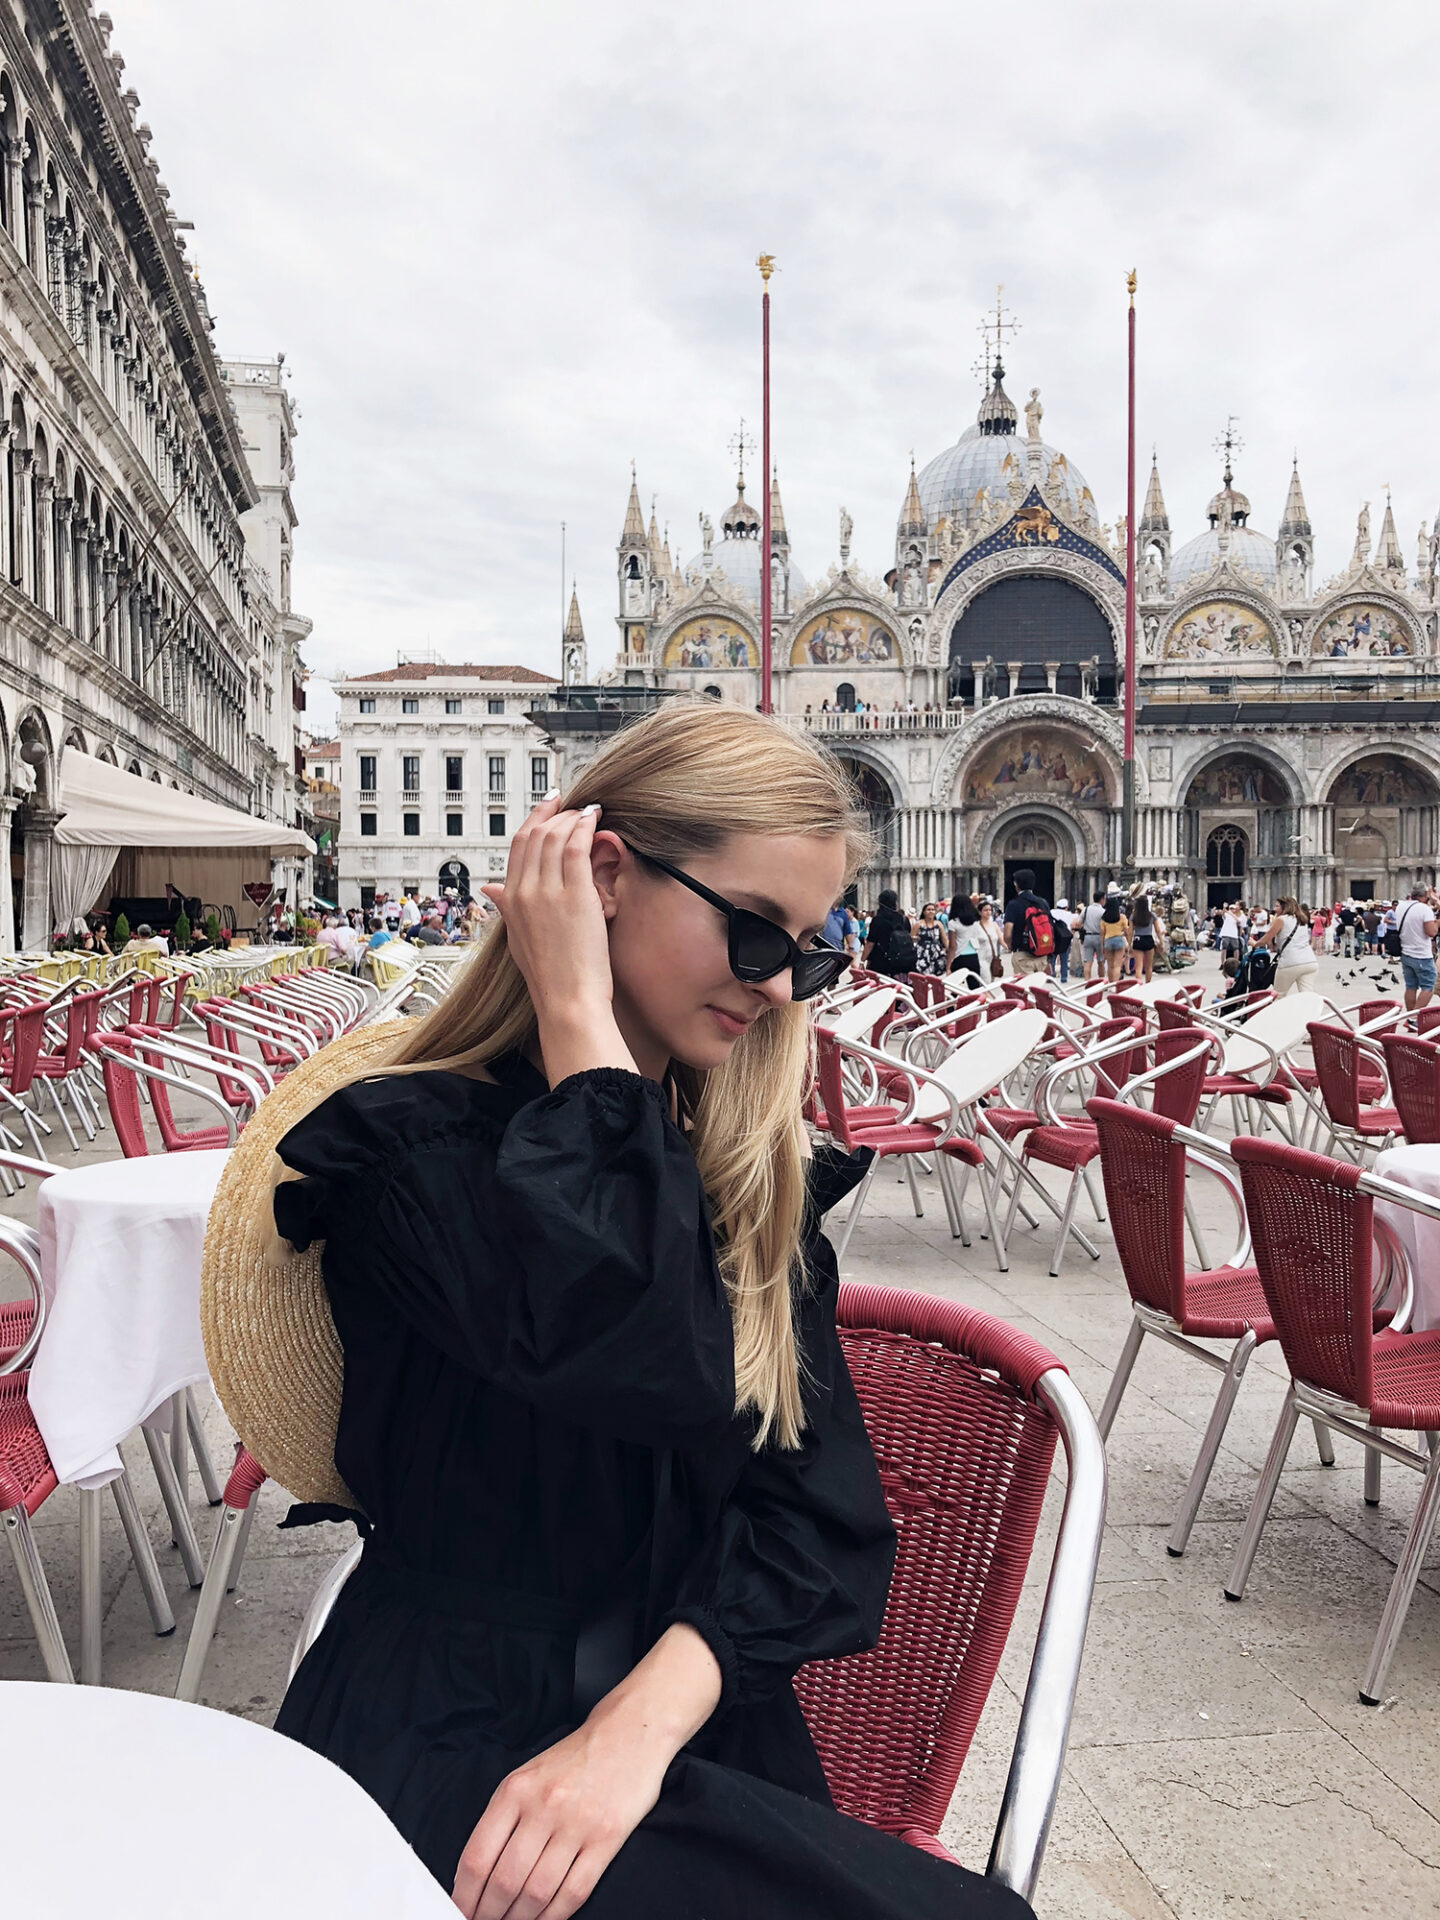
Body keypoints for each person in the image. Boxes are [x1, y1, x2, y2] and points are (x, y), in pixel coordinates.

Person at [264, 705, 1026, 1920]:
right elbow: (641, 1357)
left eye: (806, 954)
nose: (775, 985)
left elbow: (820, 1521)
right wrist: (578, 1019)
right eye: (753, 930)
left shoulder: (741, 1178)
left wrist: (637, 1728)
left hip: (680, 1727)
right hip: (453, 1739)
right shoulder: (418, 1155)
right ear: (603, 877)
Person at [1392, 886, 1440, 1010]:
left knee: (1411, 986)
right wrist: (1436, 924)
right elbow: (1431, 932)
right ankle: (1414, 1017)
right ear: (1425, 894)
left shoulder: (1401, 906)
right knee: (1429, 986)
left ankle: (1410, 1015)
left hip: (1406, 953)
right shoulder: (1424, 909)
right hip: (1422, 955)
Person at [1262, 894, 1317, 996]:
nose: (1274, 909)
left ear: (1285, 907)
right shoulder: (1302, 918)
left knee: (1278, 995)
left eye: (1277, 906)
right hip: (1310, 961)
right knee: (1307, 995)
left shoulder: (1281, 919)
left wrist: (1254, 943)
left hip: (1290, 962)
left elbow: (1266, 938)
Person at [1001, 868, 1051, 977]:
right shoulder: (1043, 903)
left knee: (1025, 986)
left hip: (1022, 955)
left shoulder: (1014, 904)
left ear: (1016, 885)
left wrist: (1011, 946)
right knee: (1037, 986)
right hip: (1041, 954)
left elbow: (1007, 934)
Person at [861, 889, 916, 978]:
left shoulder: (877, 920)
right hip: (901, 960)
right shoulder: (903, 919)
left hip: (880, 960)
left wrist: (862, 961)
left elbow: (870, 943)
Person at [1128, 892, 1163, 985]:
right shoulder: (1152, 915)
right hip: (1148, 939)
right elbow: (1158, 930)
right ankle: (1148, 984)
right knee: (1148, 966)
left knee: (1138, 966)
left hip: (1138, 939)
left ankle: (1139, 985)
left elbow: (1130, 932)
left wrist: (1129, 944)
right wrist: (1161, 942)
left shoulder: (1133, 916)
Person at [947, 893, 981, 984]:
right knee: (974, 986)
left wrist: (948, 966)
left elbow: (952, 946)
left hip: (959, 956)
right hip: (973, 954)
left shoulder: (953, 923)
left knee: (954, 986)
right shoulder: (976, 921)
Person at [1099, 895, 1130, 984]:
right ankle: (1115, 984)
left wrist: (1102, 946)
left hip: (1108, 941)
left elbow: (1102, 934)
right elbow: (1126, 931)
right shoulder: (1122, 917)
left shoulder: (1104, 919)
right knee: (1117, 965)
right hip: (1119, 940)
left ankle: (1110, 984)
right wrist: (1128, 942)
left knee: (1110, 965)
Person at [971, 899, 1004, 980]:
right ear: (980, 912)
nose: (988, 912)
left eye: (990, 910)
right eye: (985, 910)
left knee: (992, 982)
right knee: (986, 982)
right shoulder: (975, 926)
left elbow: (1001, 940)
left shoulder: (994, 925)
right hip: (981, 959)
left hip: (993, 959)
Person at [913, 902, 946, 975]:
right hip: (922, 953)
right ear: (924, 912)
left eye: (933, 910)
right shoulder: (918, 924)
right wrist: (917, 938)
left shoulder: (938, 924)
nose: (931, 911)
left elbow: (944, 939)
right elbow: (911, 937)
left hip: (936, 953)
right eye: (928, 909)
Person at [1079, 892, 1105, 980]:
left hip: (1087, 936)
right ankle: (1101, 981)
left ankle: (1087, 982)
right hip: (1099, 937)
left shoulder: (1085, 909)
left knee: (1088, 962)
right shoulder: (1103, 911)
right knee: (1100, 961)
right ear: (1102, 899)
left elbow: (1079, 922)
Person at [1050, 897, 1075, 984]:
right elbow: (1072, 926)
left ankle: (1051, 974)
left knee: (1052, 958)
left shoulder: (1052, 912)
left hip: (1054, 937)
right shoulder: (1069, 914)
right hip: (1065, 938)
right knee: (1064, 958)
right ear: (1066, 907)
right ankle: (1064, 977)